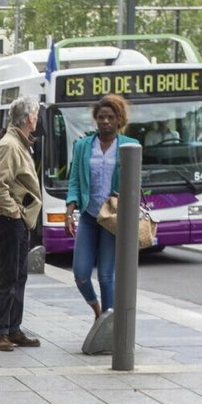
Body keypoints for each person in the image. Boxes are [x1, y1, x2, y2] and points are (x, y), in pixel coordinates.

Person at [64, 94, 141, 321]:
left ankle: (108, 324)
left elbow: (136, 184)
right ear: (95, 120)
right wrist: (69, 212)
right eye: (101, 117)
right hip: (89, 216)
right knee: (80, 274)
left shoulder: (130, 146)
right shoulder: (82, 146)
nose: (105, 121)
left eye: (110, 117)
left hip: (113, 218)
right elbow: (75, 181)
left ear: (119, 119)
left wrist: (124, 193)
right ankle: (97, 309)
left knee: (107, 275)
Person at [0, 95, 42, 352]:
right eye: (37, 115)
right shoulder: (10, 145)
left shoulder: (20, 143)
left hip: (19, 221)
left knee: (18, 276)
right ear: (30, 117)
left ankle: (12, 328)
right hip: (11, 221)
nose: (38, 119)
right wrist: (14, 213)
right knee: (9, 276)